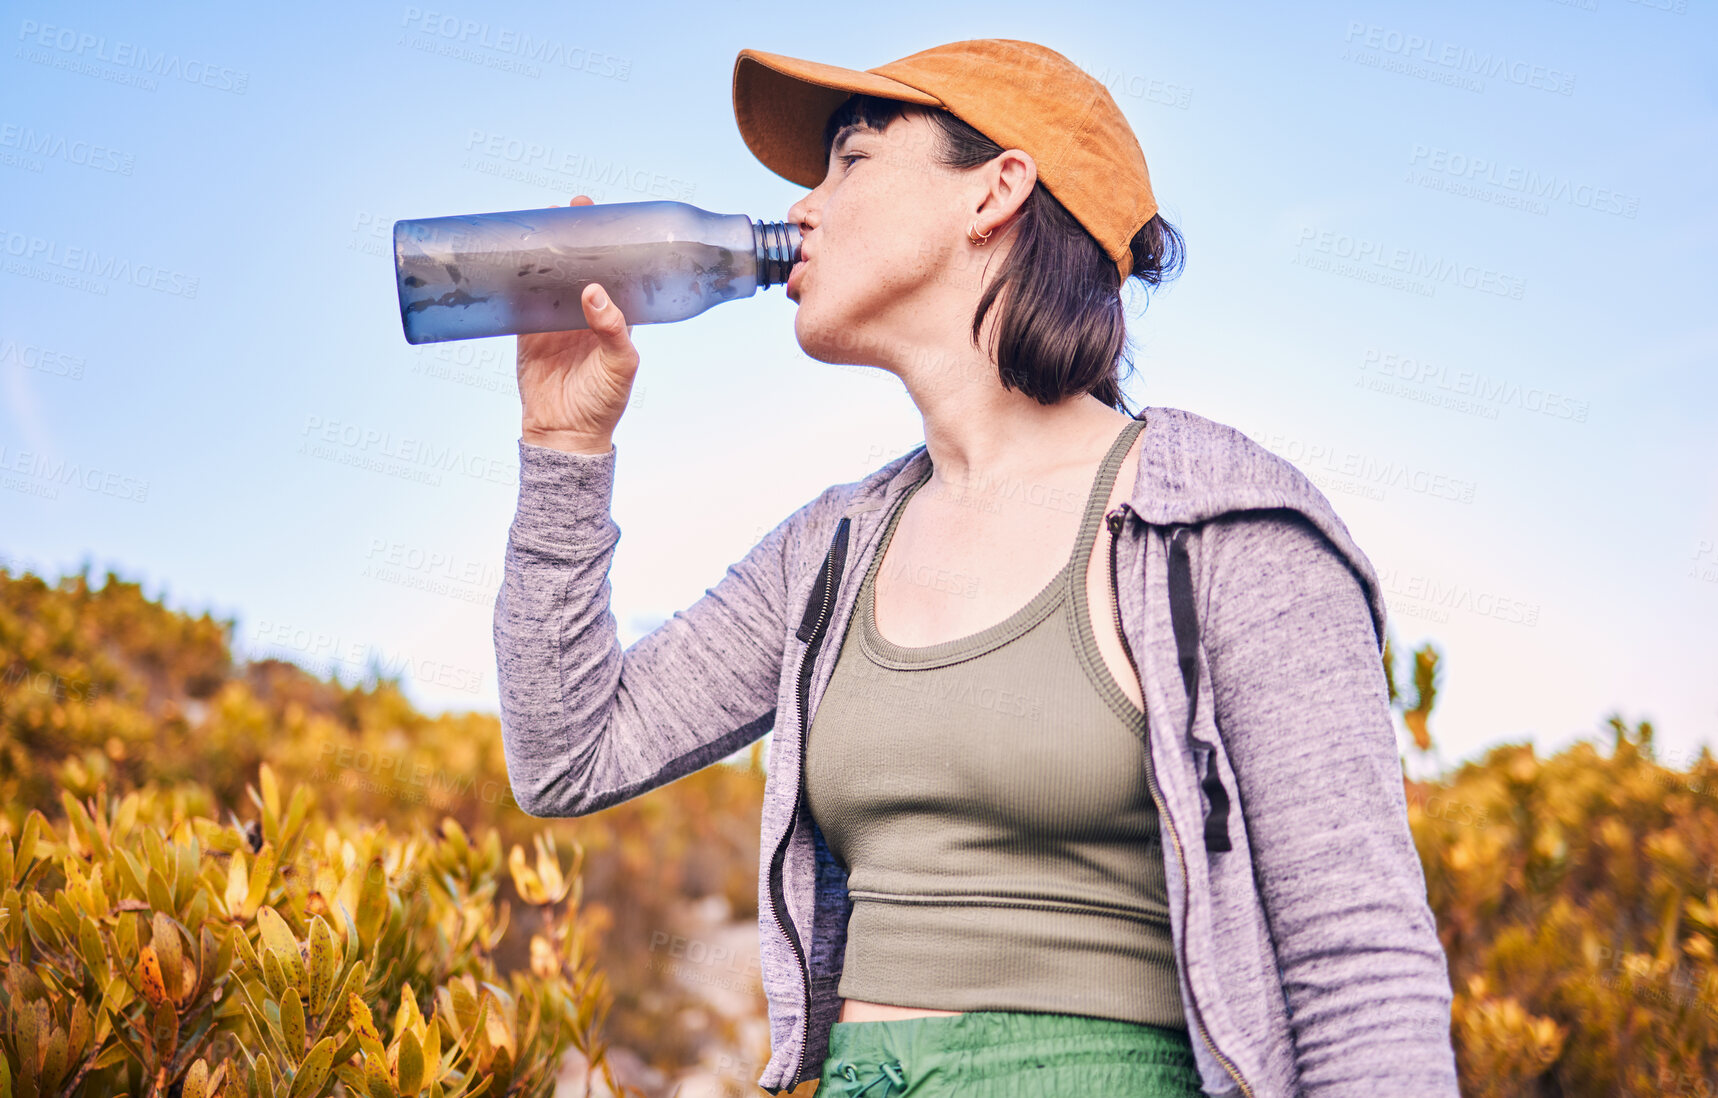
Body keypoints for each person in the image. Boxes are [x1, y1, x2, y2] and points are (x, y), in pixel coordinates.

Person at [496, 38, 1460, 1098]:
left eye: (851, 161)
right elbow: (567, 753)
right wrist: (563, 450)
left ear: (997, 191)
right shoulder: (833, 547)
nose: (802, 210)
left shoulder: (1227, 532)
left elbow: (1359, 972)